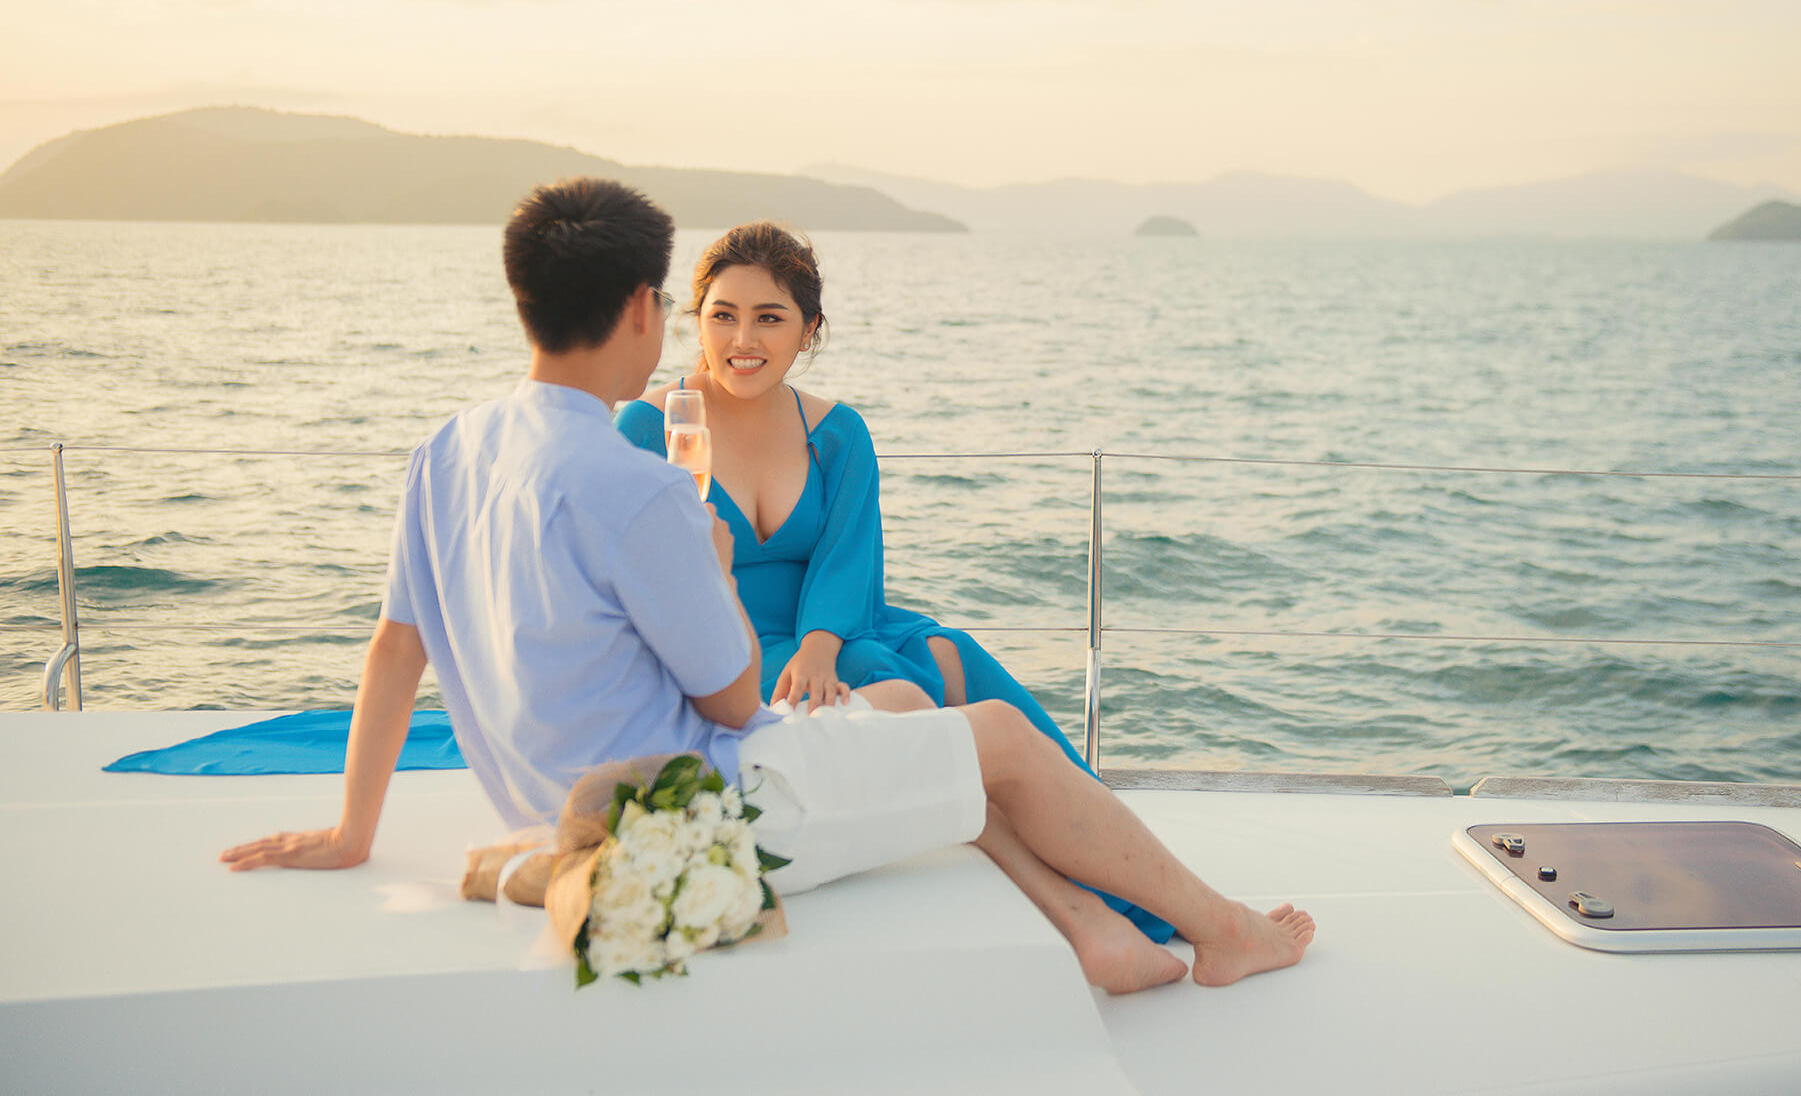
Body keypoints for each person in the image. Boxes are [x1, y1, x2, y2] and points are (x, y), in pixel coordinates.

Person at [220, 178, 1312, 995]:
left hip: (552, 801)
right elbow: (738, 702)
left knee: (919, 705)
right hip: (691, 815)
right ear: (652, 308)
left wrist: (353, 830)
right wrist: (708, 567)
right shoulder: (636, 475)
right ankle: (1219, 928)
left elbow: (394, 649)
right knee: (998, 737)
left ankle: (1096, 923)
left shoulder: (446, 449)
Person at [614, 221, 1174, 942]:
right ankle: (1082, 905)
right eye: (722, 316)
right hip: (731, 643)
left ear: (809, 330)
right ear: (698, 320)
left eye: (769, 318)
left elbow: (849, 555)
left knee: (950, 654)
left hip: (834, 624)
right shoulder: (649, 426)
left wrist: (820, 643)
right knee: (892, 673)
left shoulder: (838, 432)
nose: (741, 340)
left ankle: (1133, 886)